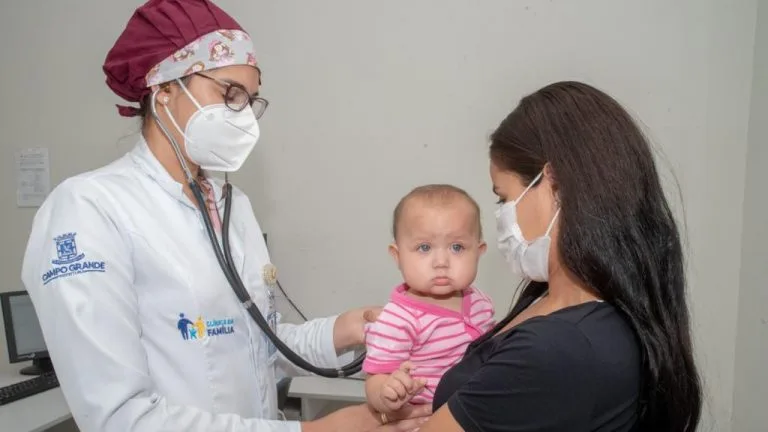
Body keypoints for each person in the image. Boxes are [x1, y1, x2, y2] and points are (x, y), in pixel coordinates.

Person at [20, 1, 429, 431]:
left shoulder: (231, 204)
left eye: (250, 101)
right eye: (228, 93)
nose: (244, 116)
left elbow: (253, 344)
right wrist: (314, 430)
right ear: (164, 89)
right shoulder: (89, 209)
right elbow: (119, 417)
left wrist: (343, 331)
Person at [410, 81, 703, 431]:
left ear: (555, 185)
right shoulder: (559, 304)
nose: (502, 215)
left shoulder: (559, 348)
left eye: (504, 198)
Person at [362, 185, 496, 415]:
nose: (441, 261)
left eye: (457, 247)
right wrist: (387, 392)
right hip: (426, 419)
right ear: (398, 256)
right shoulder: (398, 319)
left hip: (477, 412)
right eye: (424, 247)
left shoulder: (481, 303)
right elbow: (375, 378)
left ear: (479, 250)